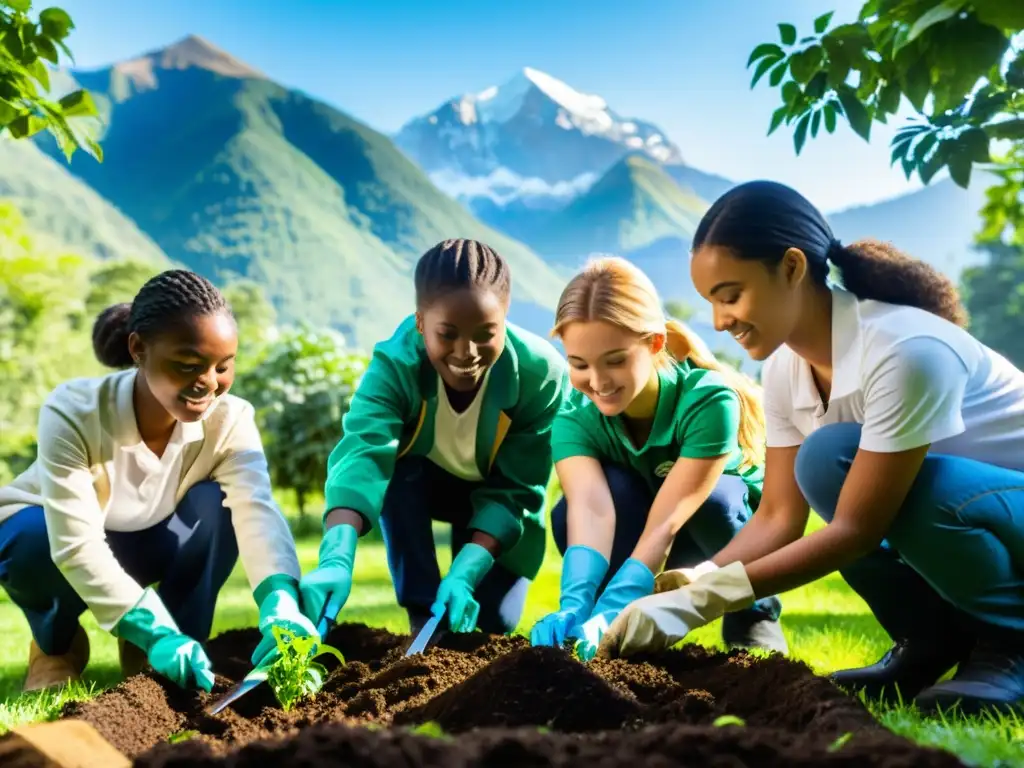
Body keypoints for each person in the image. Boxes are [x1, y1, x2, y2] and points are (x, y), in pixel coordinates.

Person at [593, 180, 1024, 716]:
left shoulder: (905, 348)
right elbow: (777, 517)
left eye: (731, 295)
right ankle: (929, 643)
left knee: (856, 469)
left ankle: (1012, 644)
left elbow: (856, 531)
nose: (719, 321)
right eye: (711, 301)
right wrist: (697, 580)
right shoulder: (785, 369)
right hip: (984, 525)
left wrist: (700, 604)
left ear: (793, 268)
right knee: (826, 466)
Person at [0, 269, 316, 693]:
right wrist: (152, 628)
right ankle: (55, 647)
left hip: (154, 541)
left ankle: (166, 643)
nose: (208, 384)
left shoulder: (231, 419)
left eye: (223, 367)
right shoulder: (74, 411)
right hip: (52, 542)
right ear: (138, 349)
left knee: (217, 508)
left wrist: (279, 596)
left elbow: (255, 509)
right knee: (30, 539)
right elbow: (74, 544)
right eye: (188, 366)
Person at [299, 239, 570, 639]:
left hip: (495, 500)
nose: (468, 352)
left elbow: (518, 488)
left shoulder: (540, 375)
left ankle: (468, 593)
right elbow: (363, 454)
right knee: (394, 473)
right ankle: (421, 617)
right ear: (421, 322)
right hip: (421, 485)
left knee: (492, 625)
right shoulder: (395, 365)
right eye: (448, 334)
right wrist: (337, 556)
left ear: (505, 319)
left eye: (485, 334)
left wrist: (466, 570)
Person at [530, 256, 787, 660]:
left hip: (710, 535)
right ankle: (614, 623)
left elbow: (666, 524)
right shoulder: (574, 419)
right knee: (570, 513)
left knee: (717, 500)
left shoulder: (708, 400)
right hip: (644, 532)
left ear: (653, 344)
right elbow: (592, 512)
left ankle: (752, 613)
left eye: (615, 361)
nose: (597, 382)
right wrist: (576, 604)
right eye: (579, 364)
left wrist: (618, 600)